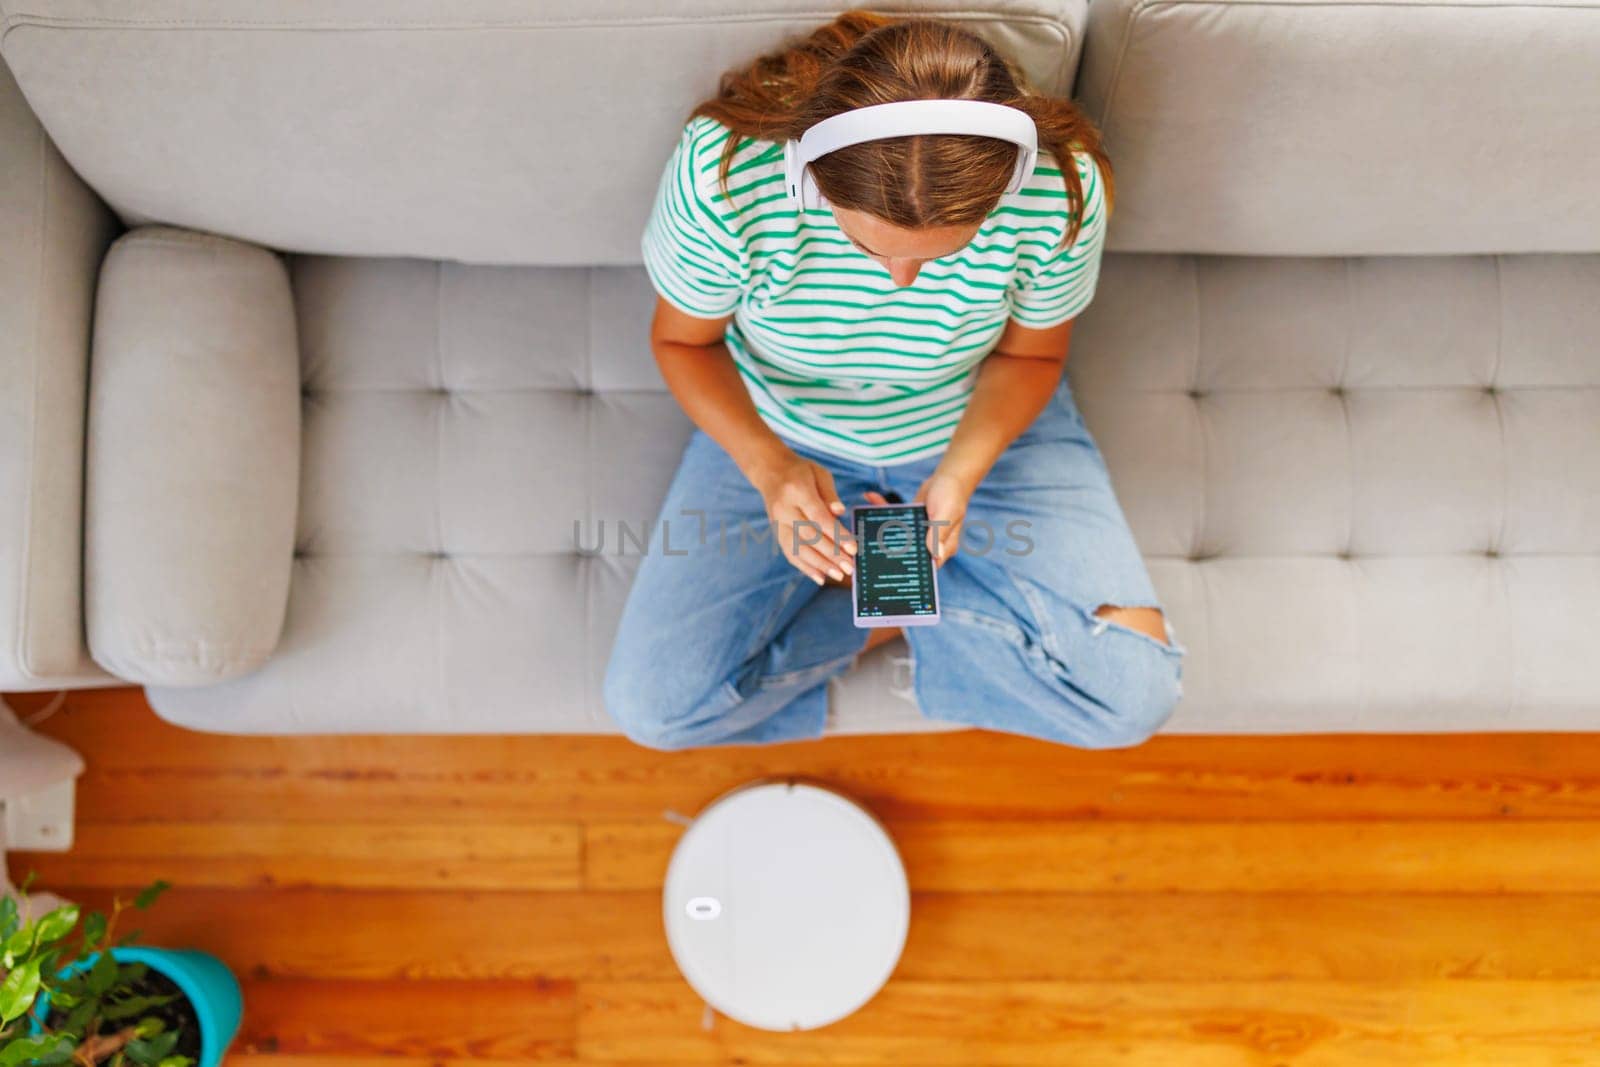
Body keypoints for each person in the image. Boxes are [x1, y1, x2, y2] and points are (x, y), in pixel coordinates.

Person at [604, 10, 1186, 749]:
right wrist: (770, 467)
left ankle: (879, 608)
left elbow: (1032, 357)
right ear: (806, 180)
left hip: (972, 419)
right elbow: (683, 343)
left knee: (1135, 695)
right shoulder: (724, 170)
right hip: (778, 426)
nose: (902, 281)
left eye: (943, 253)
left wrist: (960, 476)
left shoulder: (1058, 186)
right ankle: (900, 610)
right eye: (865, 243)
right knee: (651, 707)